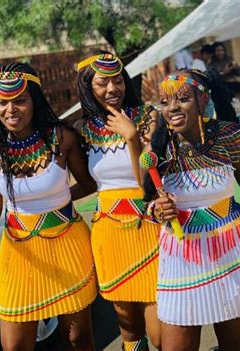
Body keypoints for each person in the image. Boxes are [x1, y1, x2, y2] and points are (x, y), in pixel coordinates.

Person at [144, 69, 240, 351]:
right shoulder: (160, 147)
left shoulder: (229, 136)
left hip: (229, 247)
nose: (172, 107)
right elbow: (148, 201)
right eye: (165, 102)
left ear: (203, 100)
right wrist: (157, 211)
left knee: (233, 342)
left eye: (183, 99)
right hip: (180, 257)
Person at [0, 63, 98, 350]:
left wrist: (57, 204)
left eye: (20, 100)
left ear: (34, 100)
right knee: (15, 345)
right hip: (18, 251)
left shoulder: (61, 138)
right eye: (2, 102)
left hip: (67, 243)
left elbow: (88, 184)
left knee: (77, 338)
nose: (11, 109)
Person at [76, 53, 161, 351]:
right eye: (103, 82)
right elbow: (83, 183)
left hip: (148, 226)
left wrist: (131, 137)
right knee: (129, 327)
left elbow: (145, 182)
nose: (113, 88)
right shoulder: (81, 130)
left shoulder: (148, 116)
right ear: (89, 87)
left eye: (118, 80)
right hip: (108, 232)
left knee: (161, 329)